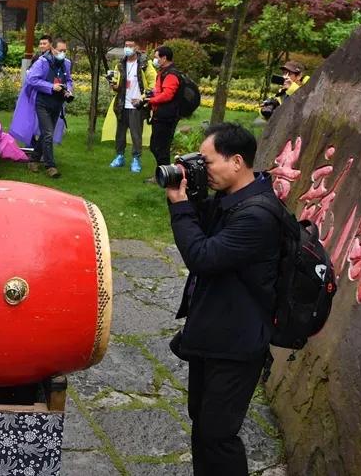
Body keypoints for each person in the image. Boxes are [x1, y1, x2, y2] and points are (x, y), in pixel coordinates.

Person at [166, 123, 280, 476]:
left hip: (239, 344)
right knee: (202, 422)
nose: (204, 168)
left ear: (237, 162)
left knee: (218, 435)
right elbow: (204, 234)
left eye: (207, 161)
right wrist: (195, 192)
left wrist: (180, 205)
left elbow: (202, 256)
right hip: (215, 333)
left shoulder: (258, 215)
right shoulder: (231, 201)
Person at [10, 38, 73, 178]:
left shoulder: (66, 64)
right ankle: (51, 166)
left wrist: (69, 89)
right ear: (52, 49)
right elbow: (31, 79)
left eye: (65, 51)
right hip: (42, 102)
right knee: (49, 133)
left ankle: (34, 159)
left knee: (45, 133)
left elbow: (68, 79)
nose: (62, 53)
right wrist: (51, 87)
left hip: (57, 102)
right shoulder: (42, 62)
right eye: (60, 50)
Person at [103, 41, 157, 174]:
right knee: (120, 133)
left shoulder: (145, 64)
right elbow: (117, 83)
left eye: (130, 46)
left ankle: (136, 159)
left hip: (136, 105)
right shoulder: (120, 64)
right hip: (122, 103)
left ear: (137, 47)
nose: (127, 48)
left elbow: (153, 83)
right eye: (126, 45)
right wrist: (114, 86)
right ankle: (119, 156)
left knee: (136, 134)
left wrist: (142, 98)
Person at [146, 45, 181, 180]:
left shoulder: (171, 74)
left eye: (156, 57)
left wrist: (152, 100)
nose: (155, 60)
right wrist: (151, 94)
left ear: (164, 58)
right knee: (156, 146)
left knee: (161, 147)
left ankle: (165, 176)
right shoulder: (164, 72)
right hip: (160, 114)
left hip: (167, 116)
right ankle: (163, 174)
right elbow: (160, 90)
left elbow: (167, 95)